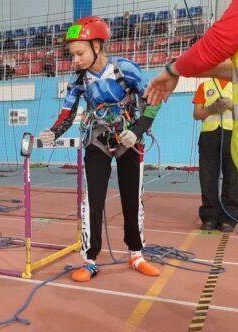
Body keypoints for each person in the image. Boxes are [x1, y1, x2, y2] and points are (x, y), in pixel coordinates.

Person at [38, 16, 162, 282]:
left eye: (80, 53)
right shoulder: (80, 79)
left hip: (129, 140)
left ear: (97, 45)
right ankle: (90, 259)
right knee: (91, 201)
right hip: (97, 141)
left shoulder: (125, 69)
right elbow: (66, 113)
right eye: (72, 55)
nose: (76, 60)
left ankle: (136, 255)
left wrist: (137, 131)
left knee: (132, 199)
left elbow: (154, 100)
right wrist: (53, 131)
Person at [146, 0, 238, 175]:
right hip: (218, 137)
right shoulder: (205, 87)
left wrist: (174, 69)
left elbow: (216, 44)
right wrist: (177, 69)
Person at [192, 79, 238, 232]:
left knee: (232, 177)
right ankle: (210, 217)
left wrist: (231, 105)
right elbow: (197, 114)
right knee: (207, 178)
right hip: (209, 137)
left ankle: (229, 218)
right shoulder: (204, 86)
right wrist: (211, 108)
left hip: (233, 135)